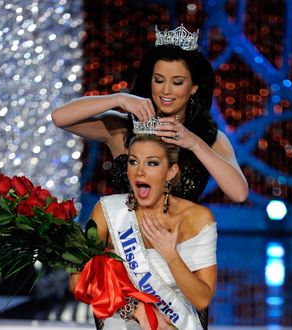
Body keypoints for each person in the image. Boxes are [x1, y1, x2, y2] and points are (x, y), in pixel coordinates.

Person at [51, 24, 248, 204]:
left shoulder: (209, 138)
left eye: (177, 82)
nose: (166, 91)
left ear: (194, 87)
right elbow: (60, 117)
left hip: (177, 241)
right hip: (126, 240)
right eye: (159, 80)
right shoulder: (122, 129)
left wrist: (194, 143)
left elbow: (239, 193)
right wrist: (119, 99)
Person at [70, 132, 217, 329]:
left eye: (152, 163)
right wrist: (136, 308)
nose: (139, 172)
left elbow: (202, 300)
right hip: (122, 317)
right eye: (133, 161)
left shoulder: (198, 218)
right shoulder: (107, 210)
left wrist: (171, 256)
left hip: (179, 321)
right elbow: (77, 281)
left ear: (171, 172)